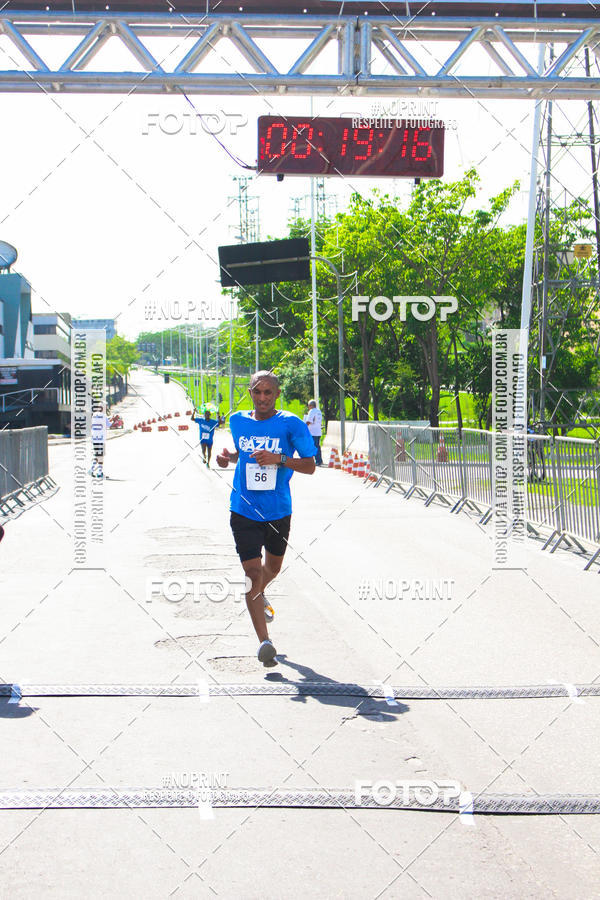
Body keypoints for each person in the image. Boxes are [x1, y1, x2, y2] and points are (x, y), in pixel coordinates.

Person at [216, 371, 316, 667]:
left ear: (277, 394)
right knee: (253, 575)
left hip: (277, 511)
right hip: (243, 509)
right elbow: (245, 455)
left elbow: (310, 466)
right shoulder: (237, 421)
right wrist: (229, 458)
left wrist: (280, 459)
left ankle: (260, 595)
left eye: (268, 392)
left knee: (272, 568)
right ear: (250, 393)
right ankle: (265, 642)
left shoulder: (291, 424)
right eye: (257, 392)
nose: (262, 398)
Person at [304, 399, 323, 466]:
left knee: (313, 447)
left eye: (308, 406)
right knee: (317, 446)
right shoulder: (319, 411)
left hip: (312, 432)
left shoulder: (311, 411)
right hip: (318, 432)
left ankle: (317, 461)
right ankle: (319, 460)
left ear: (310, 405)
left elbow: (309, 421)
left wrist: (304, 427)